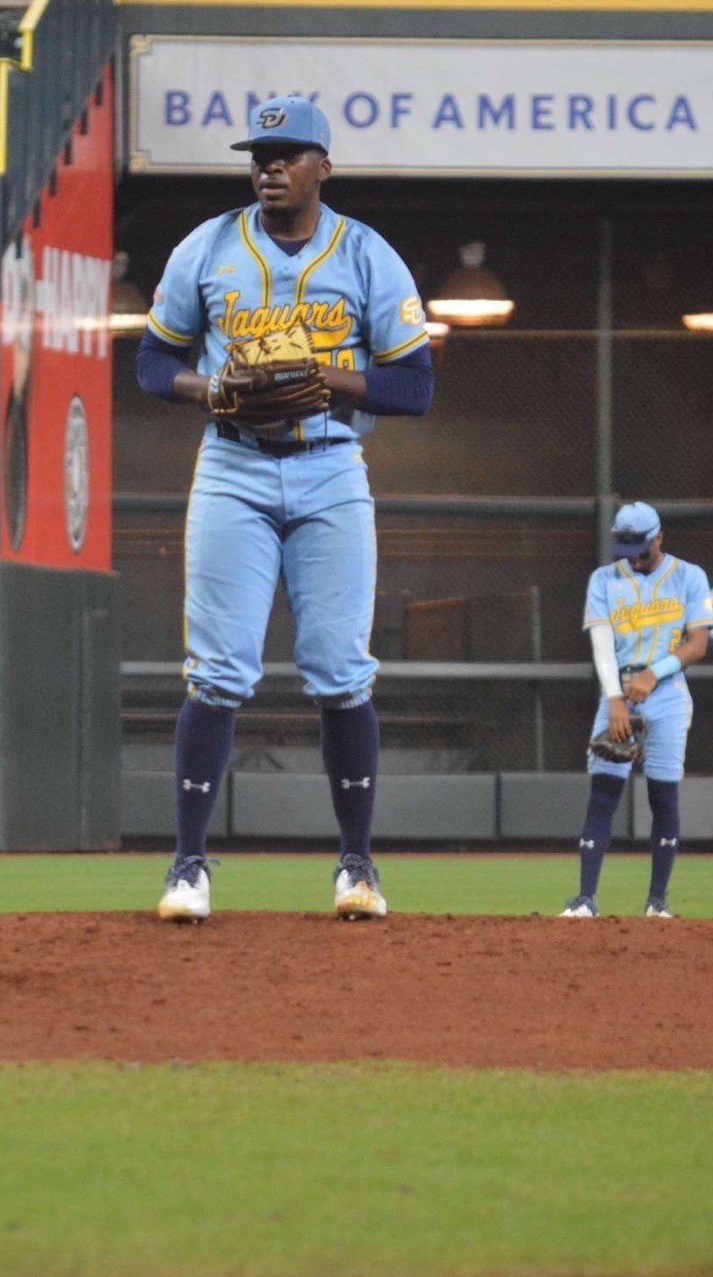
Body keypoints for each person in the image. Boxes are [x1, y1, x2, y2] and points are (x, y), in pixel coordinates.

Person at [136, 95, 434, 922]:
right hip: (232, 466)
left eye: (288, 153)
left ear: (322, 166)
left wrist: (324, 378)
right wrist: (209, 389)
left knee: (340, 670)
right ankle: (188, 867)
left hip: (329, 466)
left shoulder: (366, 253)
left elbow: (416, 386)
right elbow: (153, 361)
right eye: (260, 154)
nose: (269, 166)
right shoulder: (207, 247)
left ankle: (357, 865)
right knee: (217, 670)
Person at [561, 503, 713, 919]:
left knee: (663, 796)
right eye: (626, 548)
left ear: (659, 538)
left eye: (641, 548)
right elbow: (602, 645)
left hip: (668, 693)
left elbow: (698, 644)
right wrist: (614, 699)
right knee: (603, 792)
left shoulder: (689, 576)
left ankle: (657, 903)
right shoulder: (604, 579)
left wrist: (654, 673)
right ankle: (585, 900)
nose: (633, 557)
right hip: (619, 691)